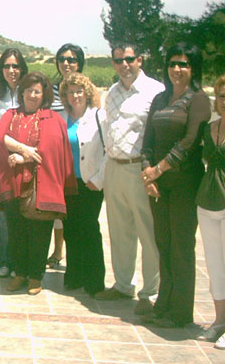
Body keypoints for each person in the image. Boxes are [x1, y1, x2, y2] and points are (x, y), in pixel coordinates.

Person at [140, 43, 210, 327]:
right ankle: (163, 305)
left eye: (183, 64)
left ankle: (180, 312)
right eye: (172, 64)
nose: (176, 70)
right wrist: (147, 174)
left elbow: (190, 142)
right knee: (163, 244)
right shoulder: (160, 99)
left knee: (181, 247)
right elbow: (147, 141)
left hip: (184, 183)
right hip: (157, 186)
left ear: (193, 69)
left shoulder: (199, 100)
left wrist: (158, 169)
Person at [95, 42, 164, 316]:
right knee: (120, 231)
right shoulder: (111, 93)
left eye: (129, 59)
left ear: (140, 60)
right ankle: (124, 285)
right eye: (118, 60)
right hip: (114, 166)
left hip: (139, 169)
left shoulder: (155, 91)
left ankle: (150, 293)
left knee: (148, 232)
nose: (124, 65)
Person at [0, 72, 76, 295]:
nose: (32, 95)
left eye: (37, 91)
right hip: (13, 183)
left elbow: (51, 149)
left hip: (41, 185)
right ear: (21, 92)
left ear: (44, 94)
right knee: (16, 231)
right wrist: (24, 149)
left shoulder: (52, 119)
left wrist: (23, 157)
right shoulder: (10, 115)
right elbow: (1, 137)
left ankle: (35, 276)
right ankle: (19, 273)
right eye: (28, 90)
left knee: (39, 231)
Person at [59, 72, 106, 295]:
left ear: (86, 93)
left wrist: (99, 179)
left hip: (90, 183)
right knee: (70, 229)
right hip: (67, 183)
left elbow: (109, 150)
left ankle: (94, 279)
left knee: (89, 228)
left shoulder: (99, 117)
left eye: (79, 91)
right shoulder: (61, 119)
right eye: (70, 92)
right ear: (65, 96)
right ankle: (74, 274)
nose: (75, 96)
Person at [0, 48, 28, 277]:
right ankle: (4, 261)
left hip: (24, 160)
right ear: (1, 69)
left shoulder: (29, 93)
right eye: (7, 66)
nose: (11, 71)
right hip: (0, 162)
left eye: (15, 66)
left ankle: (21, 263)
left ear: (22, 68)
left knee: (22, 213)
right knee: (1, 213)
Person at [47, 43, 86, 268]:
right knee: (57, 209)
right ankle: (58, 251)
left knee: (79, 214)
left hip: (79, 158)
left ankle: (76, 258)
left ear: (79, 62)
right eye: (62, 59)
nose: (66, 63)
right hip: (56, 157)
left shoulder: (86, 88)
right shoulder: (51, 88)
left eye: (71, 59)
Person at [196, 75, 225, 346]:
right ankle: (219, 321)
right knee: (215, 266)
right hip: (207, 203)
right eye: (222, 96)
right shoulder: (209, 128)